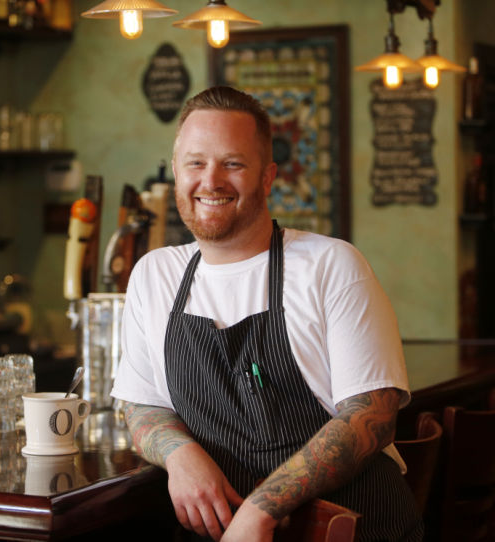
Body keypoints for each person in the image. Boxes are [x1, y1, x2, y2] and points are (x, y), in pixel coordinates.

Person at [110, 86, 422, 541]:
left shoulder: (330, 265)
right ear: (176, 172)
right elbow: (142, 405)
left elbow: (370, 417)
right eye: (195, 163)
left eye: (232, 164)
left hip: (348, 526)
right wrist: (180, 455)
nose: (211, 180)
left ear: (267, 177)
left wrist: (260, 509)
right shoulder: (154, 275)